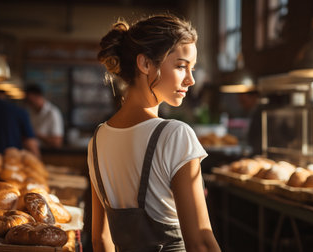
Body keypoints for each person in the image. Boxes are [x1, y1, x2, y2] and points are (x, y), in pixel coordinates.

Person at [88, 14, 221, 251]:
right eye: (181, 66)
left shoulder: (97, 139)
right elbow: (200, 243)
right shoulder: (175, 135)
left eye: (192, 68)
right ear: (146, 64)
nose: (190, 80)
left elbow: (100, 240)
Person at [25, 84, 64, 148]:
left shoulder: (53, 113)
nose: (29, 104)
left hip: (48, 155)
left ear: (38, 96)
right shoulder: (30, 112)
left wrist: (35, 134)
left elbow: (57, 142)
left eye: (30, 101)